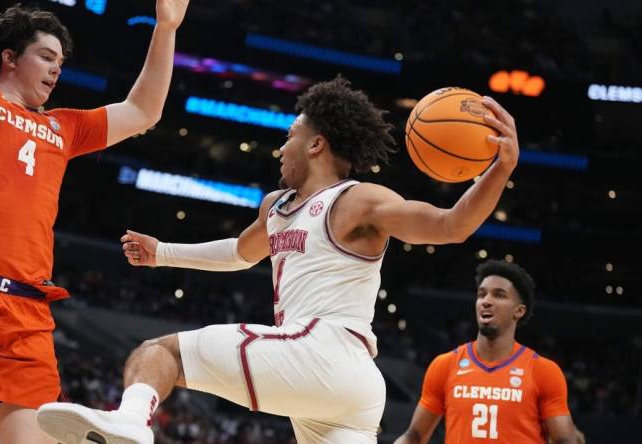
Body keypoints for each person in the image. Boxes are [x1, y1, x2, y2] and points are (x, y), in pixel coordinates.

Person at [37, 78, 520, 444]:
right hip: (348, 391)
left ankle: (130, 425)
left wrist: (500, 169)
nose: (281, 147)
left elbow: (452, 225)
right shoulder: (277, 206)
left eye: (290, 135)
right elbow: (237, 253)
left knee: (159, 353)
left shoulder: (356, 200)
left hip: (319, 350)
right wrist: (163, 253)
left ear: (315, 144)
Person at [0, 0, 189, 443]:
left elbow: (143, 112)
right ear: (9, 58)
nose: (57, 70)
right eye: (46, 56)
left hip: (27, 313)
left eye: (61, 62)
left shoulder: (65, 128)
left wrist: (167, 28)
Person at [393, 260, 581, 444]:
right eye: (482, 294)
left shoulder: (543, 371)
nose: (486, 301)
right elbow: (414, 436)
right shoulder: (445, 365)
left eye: (499, 295)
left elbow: (564, 440)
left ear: (519, 311)